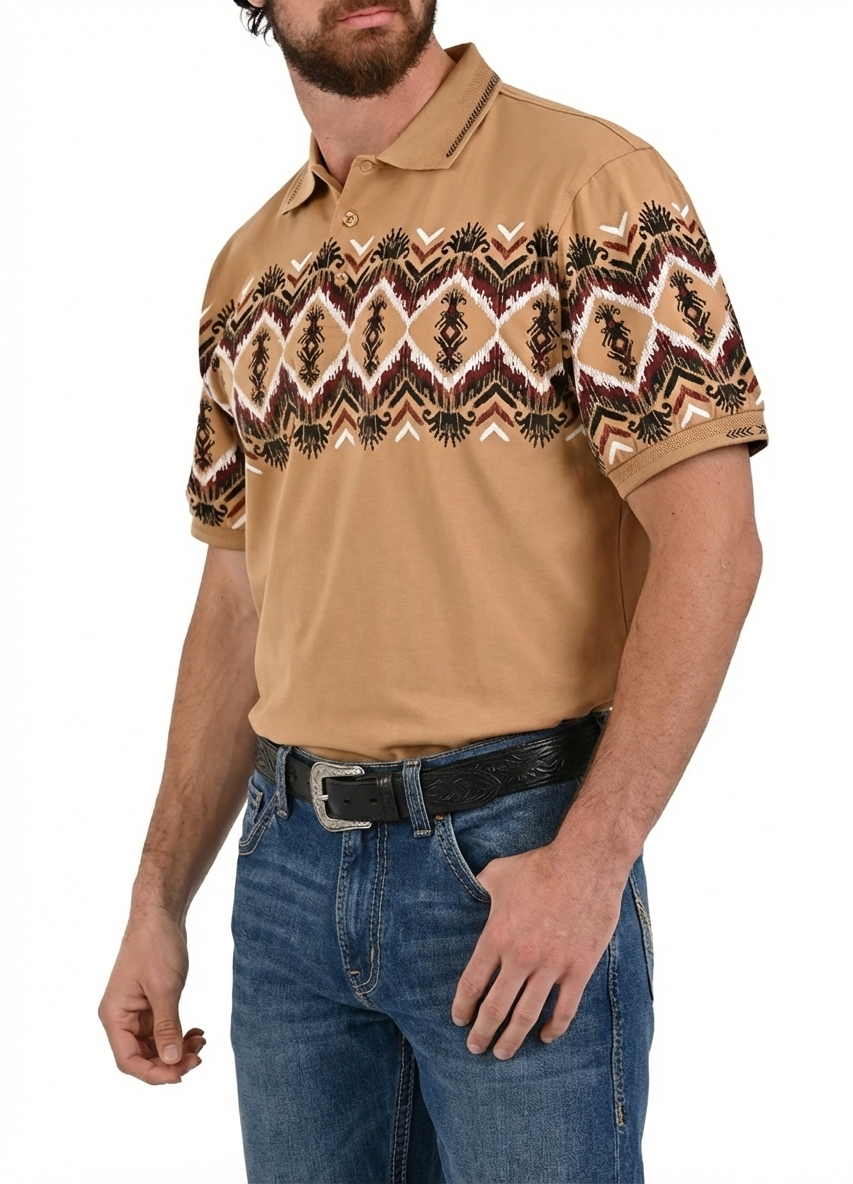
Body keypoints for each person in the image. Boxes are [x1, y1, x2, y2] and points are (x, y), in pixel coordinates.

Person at [99, 2, 766, 1181]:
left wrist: (590, 860)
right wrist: (157, 895)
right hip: (286, 877)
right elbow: (237, 597)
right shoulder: (246, 274)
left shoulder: (592, 187)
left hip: (511, 856)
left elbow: (712, 543)